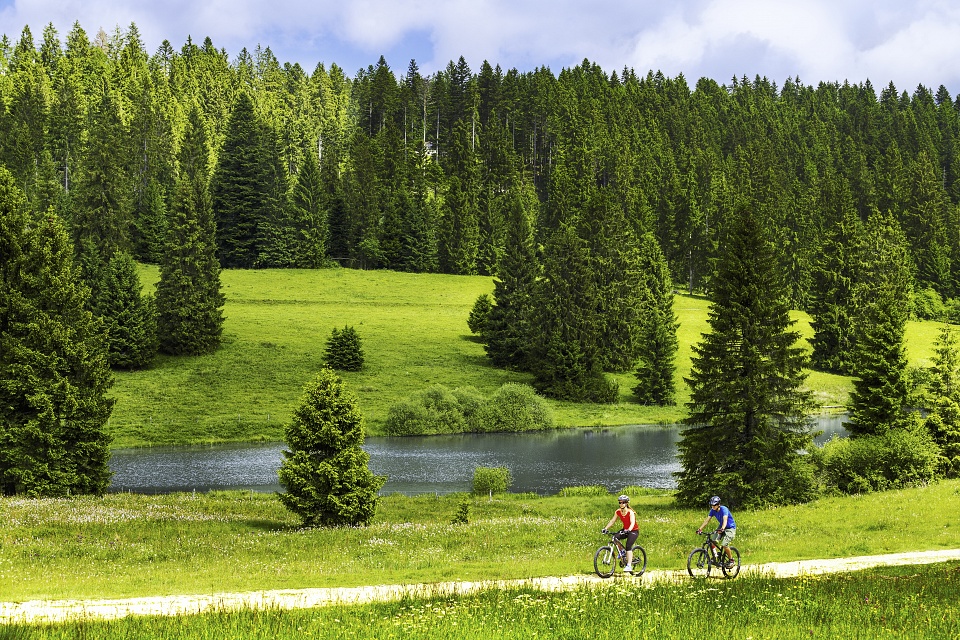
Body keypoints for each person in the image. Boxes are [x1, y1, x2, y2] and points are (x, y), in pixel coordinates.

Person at [602, 494, 639, 572]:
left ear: (626, 503)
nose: (621, 504)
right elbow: (612, 521)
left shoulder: (630, 512)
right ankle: (622, 551)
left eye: (623, 502)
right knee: (615, 537)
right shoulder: (618, 512)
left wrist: (629, 530)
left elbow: (632, 523)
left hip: (633, 531)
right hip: (625, 529)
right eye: (620, 502)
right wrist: (605, 528)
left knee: (628, 546)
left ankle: (629, 565)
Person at [697, 495, 736, 567]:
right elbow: (707, 521)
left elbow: (725, 519)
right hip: (721, 527)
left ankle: (731, 560)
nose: (713, 506)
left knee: (724, 544)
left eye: (714, 505)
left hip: (730, 528)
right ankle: (715, 556)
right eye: (712, 505)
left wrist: (722, 528)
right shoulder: (712, 511)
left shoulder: (724, 509)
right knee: (713, 541)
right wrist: (700, 529)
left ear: (718, 504)